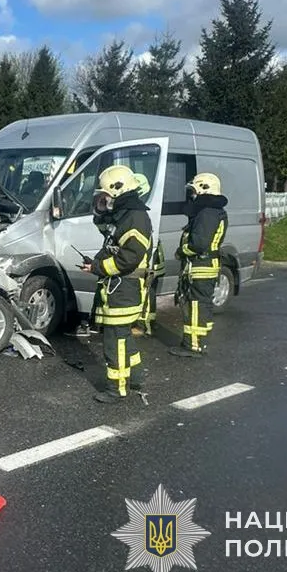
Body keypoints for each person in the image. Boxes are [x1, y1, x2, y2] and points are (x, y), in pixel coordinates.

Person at [80, 164, 154, 403]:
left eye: (105, 195)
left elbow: (128, 258)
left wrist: (98, 268)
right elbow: (111, 243)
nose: (103, 199)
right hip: (119, 289)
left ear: (117, 191)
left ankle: (117, 388)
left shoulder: (136, 218)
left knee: (115, 342)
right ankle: (137, 377)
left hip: (124, 289)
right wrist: (95, 264)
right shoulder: (126, 215)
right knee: (123, 337)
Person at [170, 172, 229, 358]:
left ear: (204, 189)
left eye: (194, 192)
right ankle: (196, 341)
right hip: (205, 264)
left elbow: (199, 243)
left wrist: (182, 251)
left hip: (201, 265)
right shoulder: (213, 211)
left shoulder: (207, 213)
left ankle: (193, 345)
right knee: (201, 305)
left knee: (197, 305)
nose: (192, 196)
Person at [130, 173, 164, 337]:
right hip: (152, 254)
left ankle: (144, 325)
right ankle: (148, 321)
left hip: (150, 257)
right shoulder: (143, 205)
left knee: (147, 290)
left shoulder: (141, 209)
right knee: (148, 290)